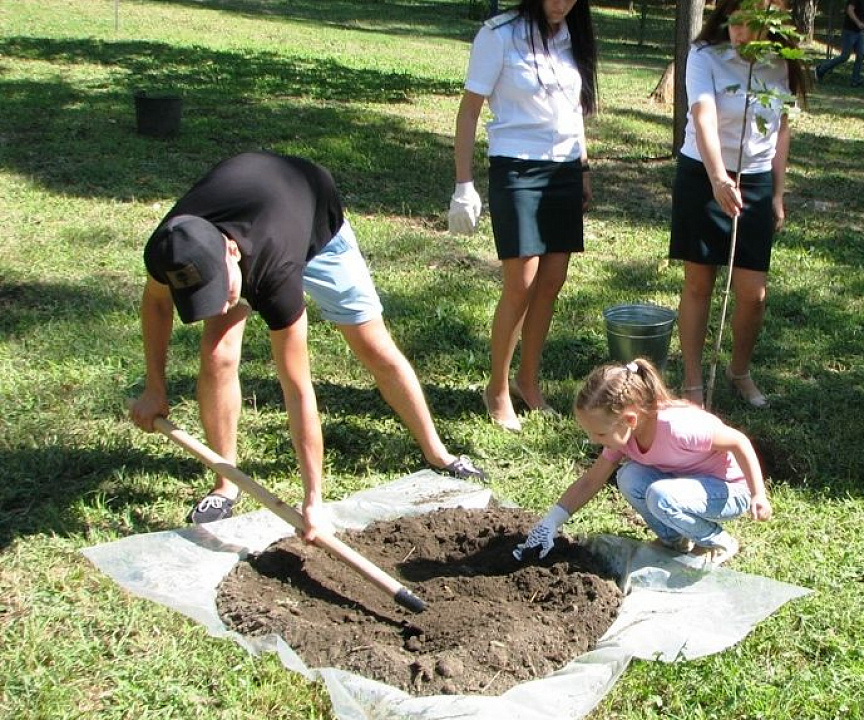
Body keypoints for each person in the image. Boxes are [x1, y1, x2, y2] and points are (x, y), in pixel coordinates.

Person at [130, 151, 486, 536]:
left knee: (372, 345)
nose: (219, 303)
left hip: (316, 219)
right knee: (217, 354)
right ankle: (225, 480)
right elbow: (156, 304)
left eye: (221, 289)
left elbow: (297, 388)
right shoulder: (172, 246)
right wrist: (154, 387)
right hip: (255, 212)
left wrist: (312, 498)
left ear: (230, 253)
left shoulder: (275, 274)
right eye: (203, 294)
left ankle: (438, 452)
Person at [450, 0, 598, 432]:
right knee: (522, 281)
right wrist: (464, 184)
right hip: (516, 167)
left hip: (564, 169)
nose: (561, 4)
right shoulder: (498, 35)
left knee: (552, 280)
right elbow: (469, 111)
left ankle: (527, 382)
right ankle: (496, 388)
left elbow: (574, 109)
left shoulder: (574, 35)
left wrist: (584, 167)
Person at [669, 0, 808, 409]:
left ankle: (739, 370)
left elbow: (782, 131)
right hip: (703, 174)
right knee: (699, 282)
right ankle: (694, 382)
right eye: (733, 22)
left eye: (750, 24)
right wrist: (717, 177)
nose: (740, 33)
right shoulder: (704, 56)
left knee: (753, 293)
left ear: (773, 19)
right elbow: (703, 115)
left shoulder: (780, 63)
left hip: (757, 179)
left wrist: (777, 193)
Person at [513, 358, 772, 566]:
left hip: (730, 491)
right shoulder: (625, 436)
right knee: (629, 477)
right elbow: (591, 480)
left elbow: (739, 442)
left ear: (630, 419)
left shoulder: (678, 427)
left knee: (660, 495)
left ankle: (718, 541)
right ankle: (675, 540)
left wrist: (758, 494)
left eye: (600, 433)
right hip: (685, 487)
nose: (594, 440)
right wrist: (550, 523)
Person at [814, 0, 864, 87]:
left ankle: (855, 80)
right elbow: (850, 10)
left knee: (861, 54)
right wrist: (858, 23)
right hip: (849, 31)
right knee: (844, 56)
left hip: (858, 32)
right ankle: (820, 69)